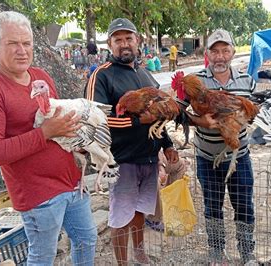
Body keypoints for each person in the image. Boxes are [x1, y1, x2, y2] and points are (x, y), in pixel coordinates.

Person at [0, 11, 97, 265]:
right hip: (38, 193)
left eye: (27, 43)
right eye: (12, 43)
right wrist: (45, 133)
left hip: (71, 182)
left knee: (87, 239)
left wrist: (75, 142)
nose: (22, 50)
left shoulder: (40, 76)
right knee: (42, 256)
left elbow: (57, 118)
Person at [85, 18, 179, 265]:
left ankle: (139, 252)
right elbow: (96, 119)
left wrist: (167, 143)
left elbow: (160, 116)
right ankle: (122, 262)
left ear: (138, 41)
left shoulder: (146, 74)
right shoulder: (101, 76)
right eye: (118, 40)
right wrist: (139, 122)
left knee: (139, 211)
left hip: (148, 158)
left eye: (129, 38)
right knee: (120, 217)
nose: (124, 44)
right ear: (110, 44)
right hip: (122, 160)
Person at [178, 29, 257, 265]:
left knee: (244, 205)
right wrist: (203, 121)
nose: (220, 56)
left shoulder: (247, 81)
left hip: (239, 155)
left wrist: (244, 117)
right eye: (215, 51)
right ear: (208, 54)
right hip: (206, 156)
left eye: (225, 50)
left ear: (233, 52)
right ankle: (216, 252)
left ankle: (246, 252)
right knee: (212, 206)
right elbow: (180, 114)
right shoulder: (196, 81)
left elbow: (251, 115)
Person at [145, 149, 187, 232]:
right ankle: (153, 218)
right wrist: (159, 167)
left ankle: (170, 206)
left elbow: (157, 144)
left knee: (180, 164)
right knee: (154, 181)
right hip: (139, 163)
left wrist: (161, 164)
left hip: (156, 157)